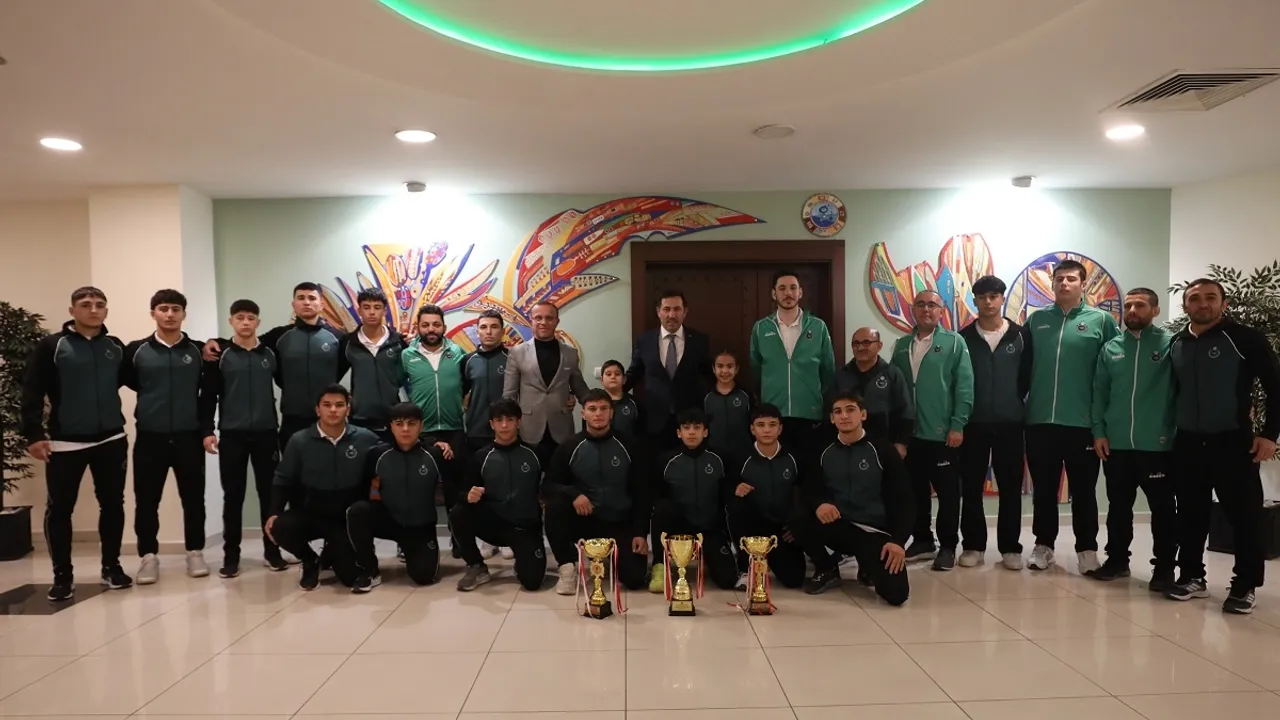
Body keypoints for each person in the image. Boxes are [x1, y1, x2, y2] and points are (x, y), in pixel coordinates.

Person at [1166, 278, 1280, 613]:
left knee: (1244, 517)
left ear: (1223, 303)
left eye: (1210, 298)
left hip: (1232, 442)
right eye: (1195, 298)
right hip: (1188, 441)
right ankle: (1192, 576)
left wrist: (1269, 435)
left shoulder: (1245, 338)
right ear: (1185, 305)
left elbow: (1275, 386)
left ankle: (1245, 585)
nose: (1203, 304)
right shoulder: (1177, 342)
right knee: (1190, 514)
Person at [21, 286, 133, 601]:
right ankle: (62, 576)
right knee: (60, 509)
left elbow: (141, 376)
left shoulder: (114, 346)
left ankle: (111, 567)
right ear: (72, 311)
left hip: (111, 439)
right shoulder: (52, 346)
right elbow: (32, 390)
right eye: (85, 304)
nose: (93, 310)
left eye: (99, 304)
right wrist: (33, 434)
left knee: (113, 504)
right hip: (65, 443)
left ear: (106, 311)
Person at [1024, 259, 1120, 573]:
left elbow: (1113, 371)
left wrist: (1102, 422)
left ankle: (1087, 550)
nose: (1064, 283)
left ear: (1083, 284)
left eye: (1071, 279)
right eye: (1059, 279)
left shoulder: (1101, 321)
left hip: (1083, 424)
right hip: (1040, 422)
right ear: (1052, 284)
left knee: (1084, 492)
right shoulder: (1037, 320)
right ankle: (1044, 545)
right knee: (1044, 491)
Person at [1090, 288, 1178, 589]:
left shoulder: (1171, 344)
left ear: (1155, 310)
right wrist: (1099, 432)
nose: (1132, 311)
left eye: (1140, 305)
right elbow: (1099, 393)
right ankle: (1117, 560)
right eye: (1128, 305)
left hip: (1158, 445)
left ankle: (1164, 568)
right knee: (1118, 507)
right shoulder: (1111, 348)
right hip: (1117, 444)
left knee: (1163, 510)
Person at [121, 289, 210, 584]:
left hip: (188, 437)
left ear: (184, 314)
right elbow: (130, 381)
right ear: (153, 314)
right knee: (147, 500)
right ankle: (148, 557)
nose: (169, 314)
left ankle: (195, 551)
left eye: (175, 309)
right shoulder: (136, 351)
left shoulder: (198, 351)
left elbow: (206, 393)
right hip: (150, 437)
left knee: (193, 498)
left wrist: (206, 430)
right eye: (163, 309)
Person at [791, 391, 912, 606]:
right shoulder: (822, 450)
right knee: (798, 516)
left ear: (863, 414)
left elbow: (904, 499)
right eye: (838, 412)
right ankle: (827, 567)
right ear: (832, 418)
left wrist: (898, 541)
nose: (844, 416)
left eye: (850, 410)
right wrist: (820, 504)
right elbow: (809, 486)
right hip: (838, 525)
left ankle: (867, 566)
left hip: (871, 531)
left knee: (897, 594)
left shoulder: (883, 450)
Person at [198, 299, 288, 578]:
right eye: (240, 317)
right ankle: (231, 557)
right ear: (231, 321)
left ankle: (272, 552)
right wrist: (207, 431)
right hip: (232, 435)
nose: (245, 322)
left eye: (250, 317)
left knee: (269, 496)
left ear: (258, 322)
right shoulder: (220, 354)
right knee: (233, 496)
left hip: (266, 434)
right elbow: (208, 395)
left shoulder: (270, 353)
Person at [203, 282, 349, 449]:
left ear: (321, 304)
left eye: (312, 298)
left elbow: (341, 369)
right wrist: (215, 342)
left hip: (328, 417)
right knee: (291, 464)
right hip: (292, 417)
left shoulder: (338, 337)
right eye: (301, 298)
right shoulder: (279, 336)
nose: (306, 302)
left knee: (329, 463)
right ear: (293, 304)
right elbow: (247, 342)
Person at [889, 289, 974, 571]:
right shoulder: (902, 345)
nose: (926, 309)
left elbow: (964, 386)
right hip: (910, 436)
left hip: (942, 434)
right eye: (921, 304)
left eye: (932, 305)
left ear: (941, 311)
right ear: (913, 309)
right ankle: (923, 540)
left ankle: (948, 545)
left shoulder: (954, 342)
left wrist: (957, 424)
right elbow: (895, 388)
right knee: (914, 492)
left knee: (948, 494)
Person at [265, 385, 380, 590]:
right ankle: (310, 561)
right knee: (279, 526)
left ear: (348, 409)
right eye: (327, 405)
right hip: (313, 513)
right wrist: (274, 512)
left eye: (339, 405)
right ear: (318, 410)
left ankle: (333, 553)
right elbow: (283, 479)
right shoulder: (299, 441)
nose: (333, 410)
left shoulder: (366, 438)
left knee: (350, 577)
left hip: (345, 519)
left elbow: (387, 463)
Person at [957, 276, 1031, 571]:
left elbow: (1027, 376)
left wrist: (1014, 403)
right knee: (971, 487)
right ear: (975, 300)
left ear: (1002, 298)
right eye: (982, 297)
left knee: (1011, 487)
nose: (988, 302)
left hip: (1011, 423)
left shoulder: (1021, 336)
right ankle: (973, 545)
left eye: (993, 296)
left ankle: (1010, 548)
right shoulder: (963, 338)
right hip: (973, 424)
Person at [543, 389, 650, 595]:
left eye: (603, 408)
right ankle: (567, 567)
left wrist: (640, 532)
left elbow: (642, 491)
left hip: (619, 522)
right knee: (555, 506)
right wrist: (573, 493)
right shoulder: (569, 446)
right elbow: (549, 485)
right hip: (585, 520)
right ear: (583, 414)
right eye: (592, 409)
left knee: (634, 579)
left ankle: (611, 555)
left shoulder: (630, 445)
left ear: (612, 412)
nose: (598, 414)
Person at [346, 402, 447, 591]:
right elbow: (363, 490)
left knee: (424, 577)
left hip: (420, 526)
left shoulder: (435, 454)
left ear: (421, 426)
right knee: (358, 511)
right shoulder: (377, 454)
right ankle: (369, 569)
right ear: (391, 426)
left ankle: (410, 550)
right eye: (399, 424)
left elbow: (452, 492)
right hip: (390, 521)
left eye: (411, 423)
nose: (405, 429)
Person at [450, 398, 549, 592]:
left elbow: (552, 483)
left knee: (532, 582)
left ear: (518, 422)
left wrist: (546, 497)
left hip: (525, 527)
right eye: (499, 420)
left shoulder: (535, 453)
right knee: (458, 513)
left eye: (509, 419)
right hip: (492, 524)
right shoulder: (481, 457)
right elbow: (462, 492)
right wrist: (468, 496)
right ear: (491, 424)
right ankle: (476, 565)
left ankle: (523, 561)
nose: (504, 425)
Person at [648, 408, 737, 593]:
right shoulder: (666, 460)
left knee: (727, 580)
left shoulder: (719, 459)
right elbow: (655, 495)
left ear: (705, 432)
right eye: (686, 428)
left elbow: (727, 494)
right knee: (663, 507)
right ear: (678, 433)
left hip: (709, 529)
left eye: (697, 428)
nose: (691, 432)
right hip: (678, 527)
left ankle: (711, 558)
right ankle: (659, 565)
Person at [749, 270, 836, 457]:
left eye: (792, 288)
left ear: (800, 292)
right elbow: (756, 369)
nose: (788, 293)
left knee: (808, 467)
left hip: (810, 412)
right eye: (782, 288)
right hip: (773, 416)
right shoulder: (761, 328)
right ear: (774, 294)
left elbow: (828, 370)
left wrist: (814, 397)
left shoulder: (818, 327)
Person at [726, 403, 806, 590]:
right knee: (736, 506)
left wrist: (795, 525)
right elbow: (725, 487)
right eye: (761, 425)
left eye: (772, 425)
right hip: (752, 528)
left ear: (780, 429)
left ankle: (769, 559)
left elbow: (805, 493)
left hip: (781, 529)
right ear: (752, 429)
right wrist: (734, 488)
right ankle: (746, 566)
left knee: (794, 579)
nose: (767, 430)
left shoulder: (794, 458)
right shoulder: (740, 457)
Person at [502, 301, 591, 467]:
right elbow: (509, 394)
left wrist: (597, 405)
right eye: (538, 318)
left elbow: (580, 388)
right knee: (530, 476)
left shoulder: (570, 353)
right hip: (528, 428)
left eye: (549, 318)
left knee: (560, 475)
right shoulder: (517, 352)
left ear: (557, 321)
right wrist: (508, 425)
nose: (543, 322)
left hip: (562, 427)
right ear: (531, 320)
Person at [625, 290, 714, 452]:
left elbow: (710, 376)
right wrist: (611, 395)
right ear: (658, 311)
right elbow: (634, 374)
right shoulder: (645, 340)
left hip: (689, 421)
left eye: (677, 309)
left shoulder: (699, 340)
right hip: (655, 419)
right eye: (666, 309)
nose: (672, 315)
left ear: (685, 311)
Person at [461, 309, 514, 560]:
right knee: (481, 484)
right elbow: (460, 393)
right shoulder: (468, 361)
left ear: (502, 331)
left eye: (494, 327)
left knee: (505, 483)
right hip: (477, 431)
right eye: (483, 327)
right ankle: (486, 538)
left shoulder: (512, 358)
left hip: (506, 432)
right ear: (477, 331)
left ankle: (506, 538)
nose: (489, 332)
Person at [831, 328, 913, 455]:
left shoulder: (892, 374)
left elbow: (905, 410)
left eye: (866, 342)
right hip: (847, 444)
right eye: (856, 343)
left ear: (879, 346)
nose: (860, 347)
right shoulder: (841, 375)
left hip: (884, 443)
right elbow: (831, 409)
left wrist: (901, 442)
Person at [343, 288, 407, 442]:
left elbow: (410, 374)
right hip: (360, 419)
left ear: (384, 310)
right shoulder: (348, 342)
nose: (372, 312)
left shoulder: (398, 341)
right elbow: (332, 376)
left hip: (393, 419)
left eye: (377, 307)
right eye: (366, 307)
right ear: (359, 310)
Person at [702, 350, 754, 461]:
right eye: (720, 366)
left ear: (737, 369)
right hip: (713, 454)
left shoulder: (746, 395)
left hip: (742, 453)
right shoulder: (706, 396)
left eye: (730, 366)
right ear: (713, 369)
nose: (725, 371)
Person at [599, 359, 642, 437]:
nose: (613, 377)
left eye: (617, 374)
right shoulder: (594, 402)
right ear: (601, 380)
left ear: (624, 379)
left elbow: (640, 433)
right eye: (608, 374)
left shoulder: (634, 403)